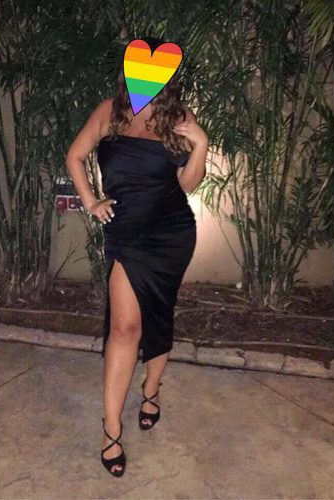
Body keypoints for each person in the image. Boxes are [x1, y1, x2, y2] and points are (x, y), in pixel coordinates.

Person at [65, 36, 208, 477]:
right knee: (126, 326)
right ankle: (111, 430)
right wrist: (91, 202)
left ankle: (151, 389)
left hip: (171, 233)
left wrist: (201, 145)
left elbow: (187, 184)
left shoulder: (178, 117)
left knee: (159, 313)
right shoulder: (109, 112)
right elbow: (75, 156)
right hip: (126, 232)